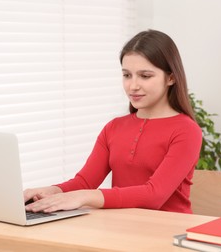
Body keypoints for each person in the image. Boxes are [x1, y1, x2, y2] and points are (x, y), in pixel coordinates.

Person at [24, 29, 202, 214]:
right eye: (127, 75)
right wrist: (51, 192)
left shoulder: (186, 130)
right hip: (121, 228)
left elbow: (154, 195)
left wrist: (85, 196)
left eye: (145, 76)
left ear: (171, 78)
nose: (133, 86)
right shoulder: (114, 127)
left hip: (168, 233)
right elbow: (84, 182)